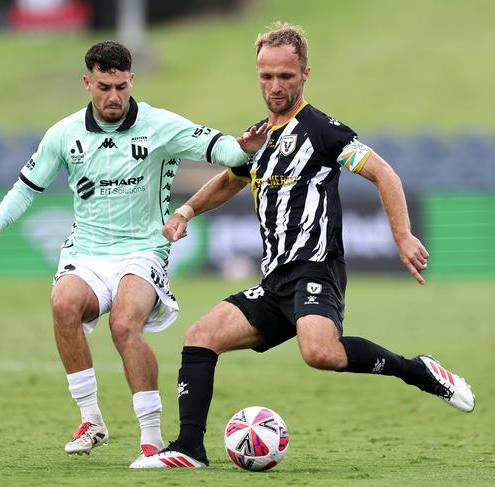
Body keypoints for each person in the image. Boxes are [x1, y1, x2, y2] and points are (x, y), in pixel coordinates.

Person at [131, 22, 475, 469]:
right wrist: (185, 211)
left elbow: (383, 174)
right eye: (266, 76)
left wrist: (402, 235)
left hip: (316, 269)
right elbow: (231, 179)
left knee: (320, 354)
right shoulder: (260, 136)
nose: (275, 86)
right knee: (200, 338)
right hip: (276, 281)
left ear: (305, 74)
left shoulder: (323, 131)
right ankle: (189, 449)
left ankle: (418, 370)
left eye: (285, 77)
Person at [0, 41, 268, 464]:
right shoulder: (64, 134)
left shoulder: (160, 125)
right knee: (63, 303)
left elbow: (222, 150)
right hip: (86, 252)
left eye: (122, 86)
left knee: (124, 324)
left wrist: (245, 146)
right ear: (87, 82)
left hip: (143, 251)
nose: (114, 96)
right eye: (104, 86)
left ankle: (151, 437)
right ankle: (91, 421)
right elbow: (28, 185)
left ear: (131, 81)